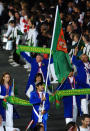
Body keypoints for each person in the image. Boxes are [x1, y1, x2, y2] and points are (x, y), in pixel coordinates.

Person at [72, 47, 90, 114]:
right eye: (83, 57)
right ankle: (85, 114)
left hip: (89, 83)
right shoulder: (80, 63)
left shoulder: (89, 63)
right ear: (81, 58)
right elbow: (74, 61)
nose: (85, 57)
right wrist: (75, 53)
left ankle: (82, 110)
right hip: (82, 84)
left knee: (87, 99)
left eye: (86, 56)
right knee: (84, 98)